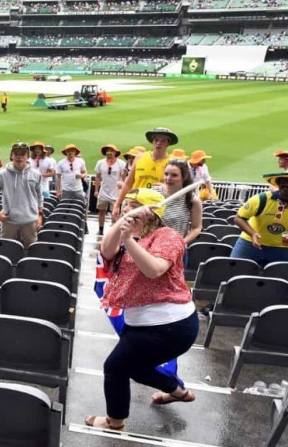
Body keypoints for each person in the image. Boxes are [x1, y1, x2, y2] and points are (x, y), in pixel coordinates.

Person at [86, 188, 198, 431]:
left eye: (132, 207)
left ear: (149, 214)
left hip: (170, 325)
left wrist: (128, 240)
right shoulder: (132, 234)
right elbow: (106, 251)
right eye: (126, 206)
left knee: (115, 367)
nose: (126, 211)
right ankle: (178, 391)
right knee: (135, 368)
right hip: (143, 322)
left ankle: (114, 421)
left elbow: (154, 269)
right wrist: (122, 227)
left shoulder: (168, 236)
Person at [231, 169, 288, 266]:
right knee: (233, 273)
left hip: (284, 248)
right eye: (283, 182)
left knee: (286, 278)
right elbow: (239, 218)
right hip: (250, 244)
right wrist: (252, 234)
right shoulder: (262, 199)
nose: (286, 185)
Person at [113, 127, 177, 221]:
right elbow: (128, 183)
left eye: (163, 141)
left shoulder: (172, 162)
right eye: (156, 140)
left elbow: (177, 188)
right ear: (152, 141)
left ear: (168, 143)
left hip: (155, 209)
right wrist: (117, 204)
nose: (158, 143)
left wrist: (164, 186)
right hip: (134, 204)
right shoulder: (140, 157)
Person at [0, 141, 43, 248]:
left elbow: (40, 195)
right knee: (6, 249)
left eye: (22, 154)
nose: (19, 157)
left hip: (30, 220)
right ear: (11, 156)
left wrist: (40, 215)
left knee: (31, 249)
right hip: (9, 220)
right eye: (16, 154)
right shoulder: (2, 174)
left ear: (27, 156)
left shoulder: (36, 174)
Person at [160, 161, 202, 248]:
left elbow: (196, 228)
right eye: (166, 174)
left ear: (184, 177)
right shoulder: (153, 193)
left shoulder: (192, 200)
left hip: (175, 249)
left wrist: (181, 243)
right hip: (150, 248)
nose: (168, 178)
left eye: (174, 175)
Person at [94, 144, 126, 236]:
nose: (109, 152)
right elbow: (97, 177)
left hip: (116, 193)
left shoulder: (121, 164)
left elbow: (124, 178)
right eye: (108, 150)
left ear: (115, 152)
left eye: (111, 150)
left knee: (114, 214)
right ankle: (100, 229)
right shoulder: (100, 162)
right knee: (101, 211)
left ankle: (113, 232)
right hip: (103, 191)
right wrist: (96, 190)